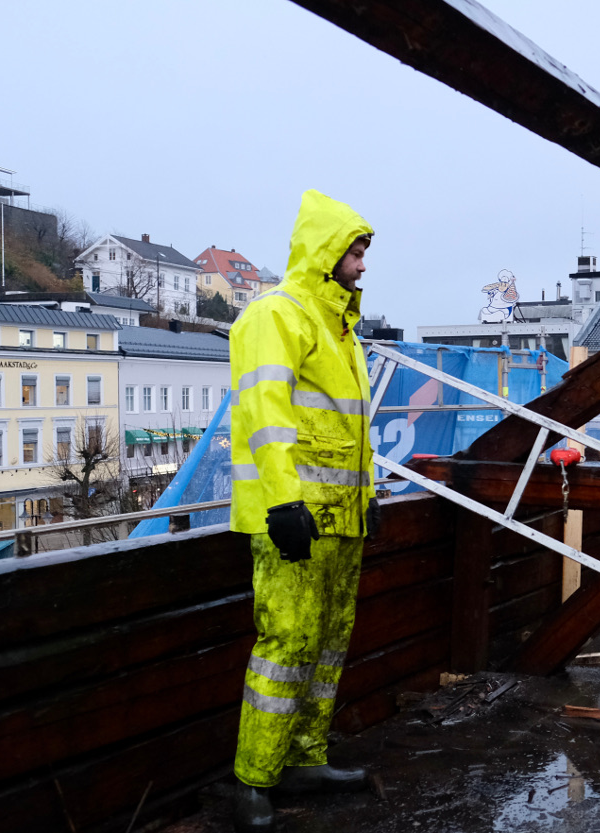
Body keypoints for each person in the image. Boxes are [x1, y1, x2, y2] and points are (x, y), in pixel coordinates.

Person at [229, 189, 382, 833]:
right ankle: (254, 780)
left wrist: (368, 499)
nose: (363, 265)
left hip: (341, 517)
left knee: (325, 641)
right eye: (355, 249)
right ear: (325, 249)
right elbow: (265, 415)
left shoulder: (338, 329)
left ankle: (304, 759)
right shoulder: (278, 314)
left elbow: (351, 433)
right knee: (286, 642)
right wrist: (285, 501)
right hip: (293, 516)